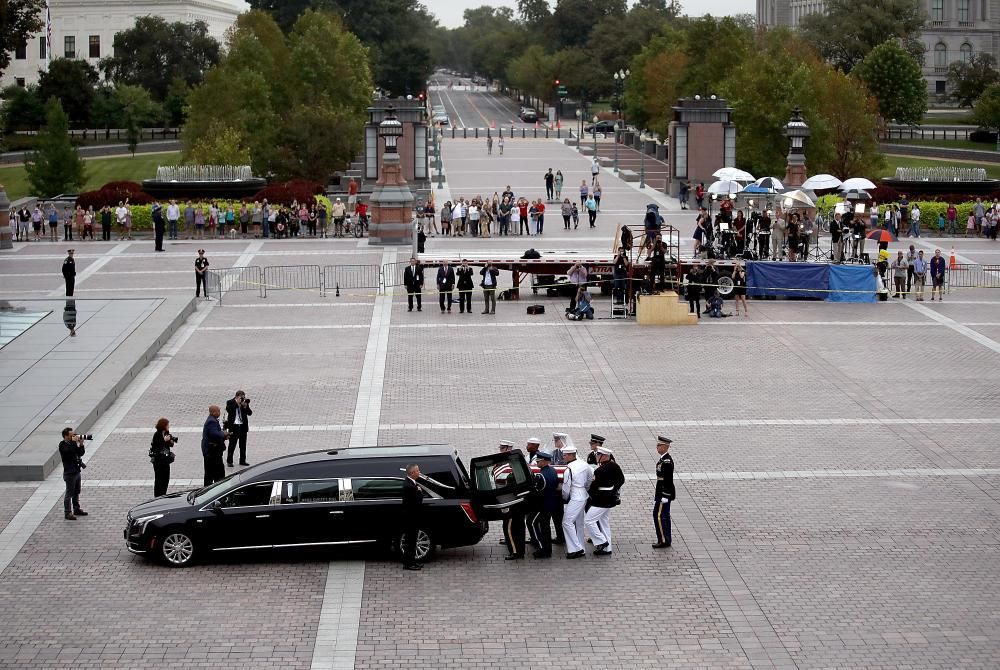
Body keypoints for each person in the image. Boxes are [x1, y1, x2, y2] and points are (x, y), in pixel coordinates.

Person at [585, 446, 624, 556]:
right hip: (609, 499)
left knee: (589, 520)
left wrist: (590, 494)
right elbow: (621, 480)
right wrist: (613, 490)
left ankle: (602, 542)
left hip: (601, 501)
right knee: (604, 523)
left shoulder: (599, 470)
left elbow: (594, 487)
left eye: (598, 455)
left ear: (605, 456)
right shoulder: (615, 466)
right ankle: (608, 549)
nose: (596, 456)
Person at [560, 444, 592, 559]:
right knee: (579, 523)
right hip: (584, 494)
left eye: (564, 455)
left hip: (575, 496)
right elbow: (589, 479)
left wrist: (564, 497)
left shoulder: (569, 470)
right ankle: (581, 548)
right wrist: (585, 488)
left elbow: (566, 488)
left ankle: (576, 549)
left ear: (570, 455)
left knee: (566, 522)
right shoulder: (584, 464)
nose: (563, 457)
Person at [529, 451, 559, 559]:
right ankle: (547, 549)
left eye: (538, 461)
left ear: (544, 461)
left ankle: (542, 548)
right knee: (545, 527)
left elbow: (536, 492)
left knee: (533, 523)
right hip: (552, 504)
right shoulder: (553, 471)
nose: (537, 463)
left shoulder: (540, 476)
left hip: (543, 505)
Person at [59, 427, 88, 520]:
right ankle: (67, 512)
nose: (74, 436)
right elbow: (69, 452)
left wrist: (81, 444)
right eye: (71, 435)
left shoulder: (73, 443)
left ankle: (76, 509)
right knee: (69, 493)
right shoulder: (62, 445)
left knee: (76, 491)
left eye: (74, 434)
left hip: (76, 471)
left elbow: (80, 453)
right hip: (69, 473)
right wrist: (75, 441)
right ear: (66, 436)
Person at [652, 436, 675, 548]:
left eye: (659, 445)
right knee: (663, 515)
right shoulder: (663, 459)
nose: (657, 447)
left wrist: (665, 495)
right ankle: (666, 538)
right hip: (661, 491)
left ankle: (663, 540)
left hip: (663, 492)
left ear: (665, 447)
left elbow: (668, 479)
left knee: (659, 515)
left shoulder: (667, 461)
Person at [401, 463, 424, 570]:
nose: (419, 472)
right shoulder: (410, 487)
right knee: (410, 542)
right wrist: (419, 492)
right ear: (413, 473)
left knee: (411, 541)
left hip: (409, 518)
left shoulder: (409, 483)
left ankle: (411, 561)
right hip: (411, 519)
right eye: (418, 470)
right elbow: (417, 502)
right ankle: (409, 563)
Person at [225, 390, 252, 467]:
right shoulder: (230, 402)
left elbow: (250, 413)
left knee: (243, 445)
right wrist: (237, 403)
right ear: (236, 397)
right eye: (241, 398)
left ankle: (242, 460)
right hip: (234, 427)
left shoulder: (244, 403)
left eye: (243, 397)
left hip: (243, 427)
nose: (242, 399)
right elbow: (229, 410)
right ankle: (229, 461)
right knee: (232, 445)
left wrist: (245, 406)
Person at [201, 405, 228, 486]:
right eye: (218, 411)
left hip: (213, 452)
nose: (219, 413)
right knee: (215, 474)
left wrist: (223, 436)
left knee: (215, 473)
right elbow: (215, 434)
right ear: (213, 412)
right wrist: (223, 434)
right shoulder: (211, 421)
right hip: (212, 453)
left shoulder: (213, 420)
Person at [149, 417, 176, 497]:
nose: (169, 426)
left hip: (165, 460)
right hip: (158, 461)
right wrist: (164, 440)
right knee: (159, 479)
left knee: (166, 478)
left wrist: (170, 441)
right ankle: (157, 496)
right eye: (167, 425)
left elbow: (170, 445)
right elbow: (156, 446)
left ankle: (163, 494)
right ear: (163, 425)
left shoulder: (167, 432)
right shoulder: (157, 434)